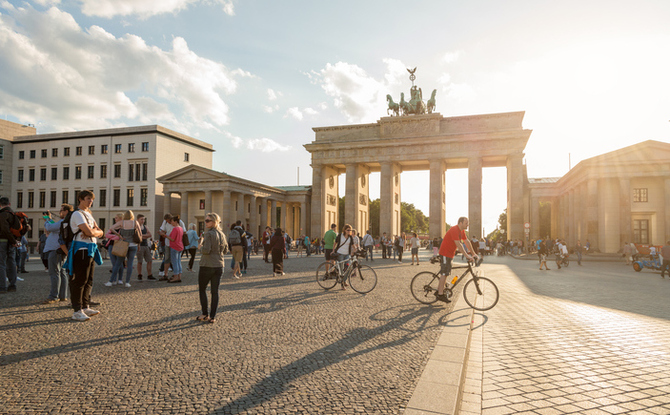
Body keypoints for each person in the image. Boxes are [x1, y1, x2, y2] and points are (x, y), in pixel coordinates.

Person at [67, 190, 104, 321]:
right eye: (88, 199)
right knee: (80, 280)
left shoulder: (88, 214)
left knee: (89, 279)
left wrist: (94, 232)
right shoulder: (77, 214)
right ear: (81, 199)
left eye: (92, 199)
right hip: (81, 249)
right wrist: (93, 232)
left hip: (91, 248)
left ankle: (85, 305)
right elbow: (89, 232)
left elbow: (100, 232)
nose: (91, 201)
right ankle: (77, 310)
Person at [435, 217, 478, 303]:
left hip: (450, 254)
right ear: (460, 223)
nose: (467, 225)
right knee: (444, 273)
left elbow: (466, 241)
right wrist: (467, 256)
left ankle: (440, 288)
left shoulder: (461, 231)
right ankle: (440, 294)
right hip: (444, 253)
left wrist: (473, 253)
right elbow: (459, 244)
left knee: (446, 272)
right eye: (466, 223)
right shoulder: (454, 229)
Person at [196, 213, 228, 323]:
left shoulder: (209, 234)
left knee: (202, 289)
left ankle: (205, 314)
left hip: (207, 265)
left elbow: (206, 250)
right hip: (219, 265)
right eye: (205, 220)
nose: (205, 222)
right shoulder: (222, 234)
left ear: (214, 222)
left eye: (208, 220)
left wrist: (200, 246)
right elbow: (225, 251)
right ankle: (213, 316)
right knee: (215, 292)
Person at [42, 204, 73, 304]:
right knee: (62, 272)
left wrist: (46, 220)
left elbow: (50, 227)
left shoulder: (62, 221)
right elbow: (53, 226)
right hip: (61, 249)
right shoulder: (66, 222)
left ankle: (53, 296)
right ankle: (63, 295)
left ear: (66, 211)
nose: (60, 212)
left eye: (61, 210)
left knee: (54, 272)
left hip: (55, 249)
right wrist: (49, 219)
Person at [106, 210, 141, 287]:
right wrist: (138, 244)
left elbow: (111, 228)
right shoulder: (135, 222)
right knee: (130, 263)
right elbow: (140, 233)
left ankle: (111, 281)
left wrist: (119, 236)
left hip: (124, 245)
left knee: (118, 263)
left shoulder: (122, 222)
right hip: (133, 245)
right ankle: (127, 282)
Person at [0, 196, 19, 293]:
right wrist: (14, 241)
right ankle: (12, 285)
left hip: (2, 241)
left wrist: (12, 240)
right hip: (12, 243)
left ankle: (2, 287)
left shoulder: (2, 215)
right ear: (9, 204)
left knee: (1, 264)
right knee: (11, 263)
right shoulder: (13, 214)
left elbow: (4, 230)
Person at [333, 224, 354, 289]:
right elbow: (335, 243)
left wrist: (357, 249)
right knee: (341, 270)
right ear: (344, 230)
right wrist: (333, 250)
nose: (349, 231)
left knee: (349, 267)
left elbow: (353, 245)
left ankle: (344, 280)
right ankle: (342, 284)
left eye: (350, 230)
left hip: (347, 254)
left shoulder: (350, 237)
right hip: (340, 254)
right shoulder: (340, 236)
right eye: (348, 230)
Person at [165, 215, 184, 283]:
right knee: (178, 262)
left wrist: (165, 236)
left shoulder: (175, 229)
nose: (171, 222)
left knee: (175, 262)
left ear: (175, 221)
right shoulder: (181, 228)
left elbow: (172, 239)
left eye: (172, 221)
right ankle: (179, 276)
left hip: (174, 247)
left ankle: (175, 276)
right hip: (180, 246)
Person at [135, 214, 154, 280]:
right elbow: (136, 236)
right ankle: (139, 274)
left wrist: (141, 235)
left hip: (146, 245)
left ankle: (149, 274)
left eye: (144, 219)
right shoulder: (136, 227)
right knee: (140, 261)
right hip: (139, 245)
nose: (143, 221)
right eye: (141, 219)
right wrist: (144, 235)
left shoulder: (145, 227)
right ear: (137, 220)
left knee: (149, 260)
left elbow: (150, 234)